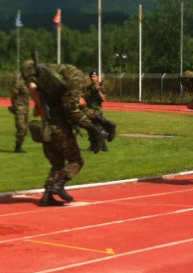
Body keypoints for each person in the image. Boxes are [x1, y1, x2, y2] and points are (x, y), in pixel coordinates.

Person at [21, 59, 108, 206]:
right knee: (76, 161)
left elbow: (37, 112)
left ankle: (47, 196)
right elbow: (80, 104)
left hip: (45, 130)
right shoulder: (64, 94)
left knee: (57, 164)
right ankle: (58, 185)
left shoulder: (44, 94)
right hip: (60, 129)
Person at [83, 70, 116, 151]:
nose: (92, 78)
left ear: (97, 77)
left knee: (98, 129)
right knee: (91, 129)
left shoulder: (101, 87)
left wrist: (98, 91)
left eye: (94, 76)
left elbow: (103, 99)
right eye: (91, 76)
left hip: (97, 111)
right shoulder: (88, 88)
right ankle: (97, 146)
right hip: (89, 111)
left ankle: (101, 146)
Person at [9, 77, 30, 153]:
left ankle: (19, 145)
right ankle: (18, 147)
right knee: (21, 128)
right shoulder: (20, 83)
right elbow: (13, 96)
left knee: (26, 129)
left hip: (26, 109)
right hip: (19, 108)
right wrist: (14, 106)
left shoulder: (29, 83)